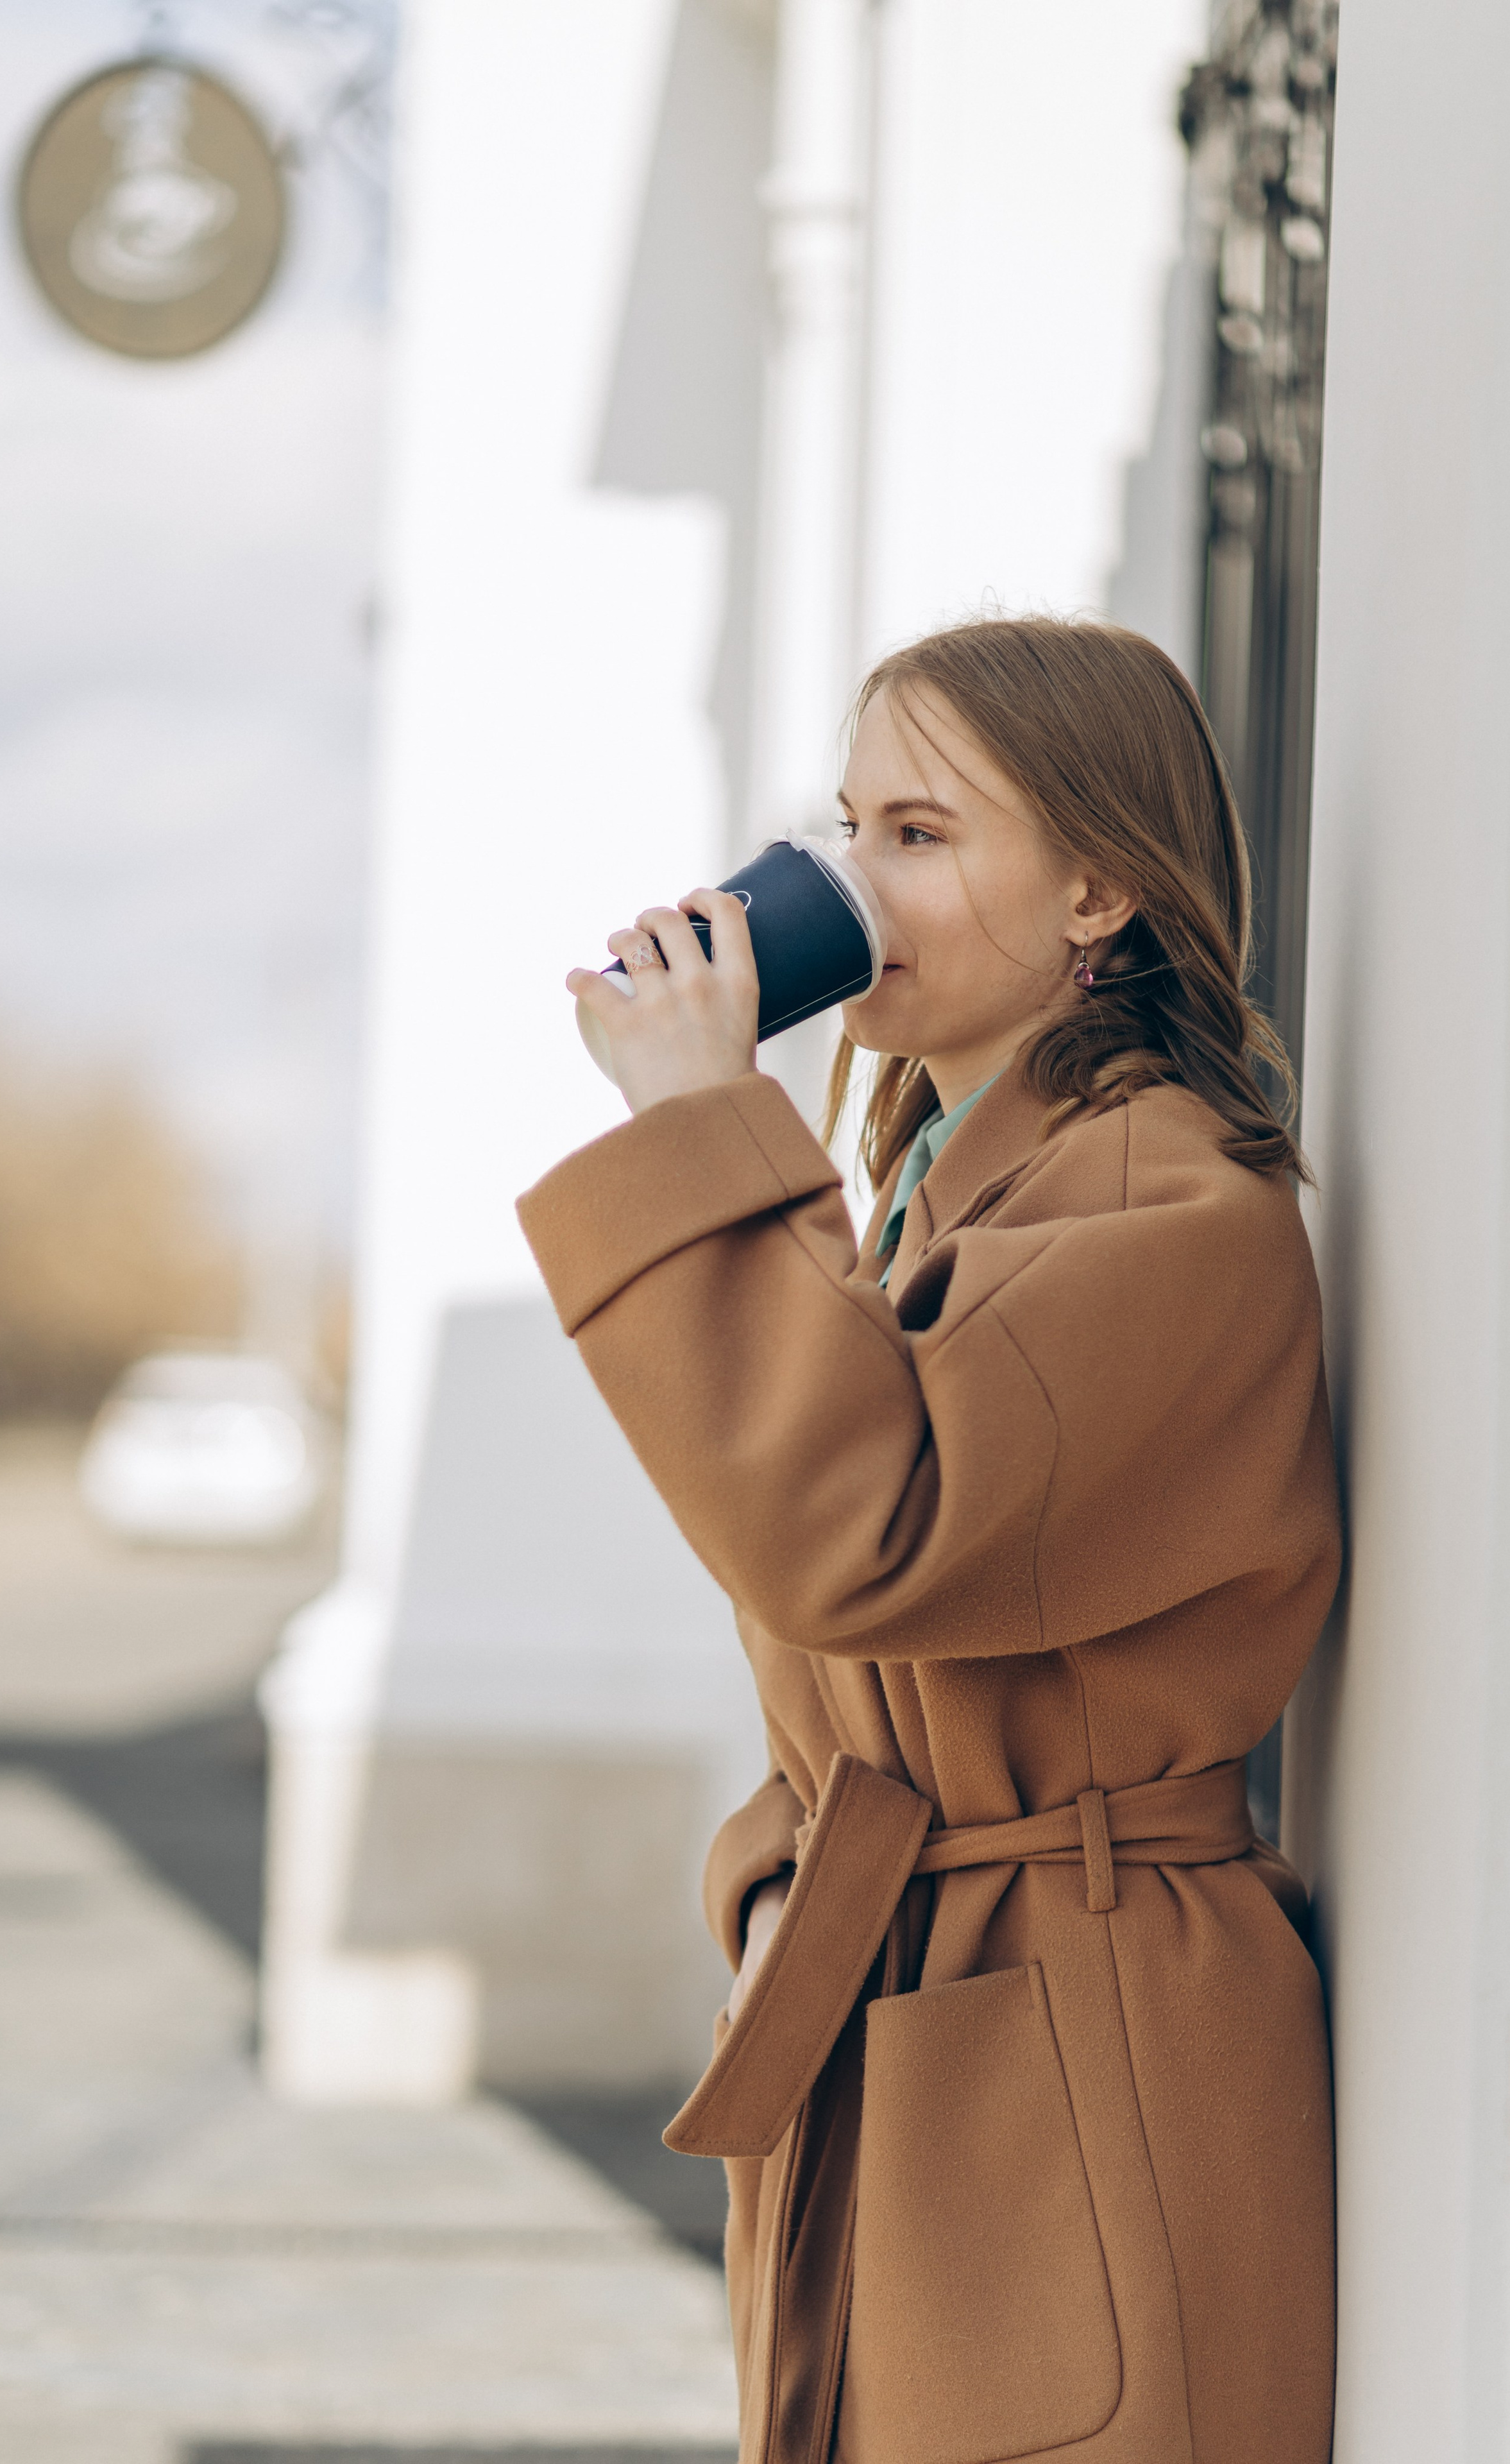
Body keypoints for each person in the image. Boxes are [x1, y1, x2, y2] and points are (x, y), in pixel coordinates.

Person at [517, 615, 1338, 2464]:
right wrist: (774, 1874)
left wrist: (706, 1123)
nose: (847, 877)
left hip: (1088, 2034)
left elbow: (856, 1528)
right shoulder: (942, 1181)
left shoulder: (1175, 1211)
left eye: (920, 833)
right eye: (848, 824)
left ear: (1098, 893)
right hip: (936, 1989)